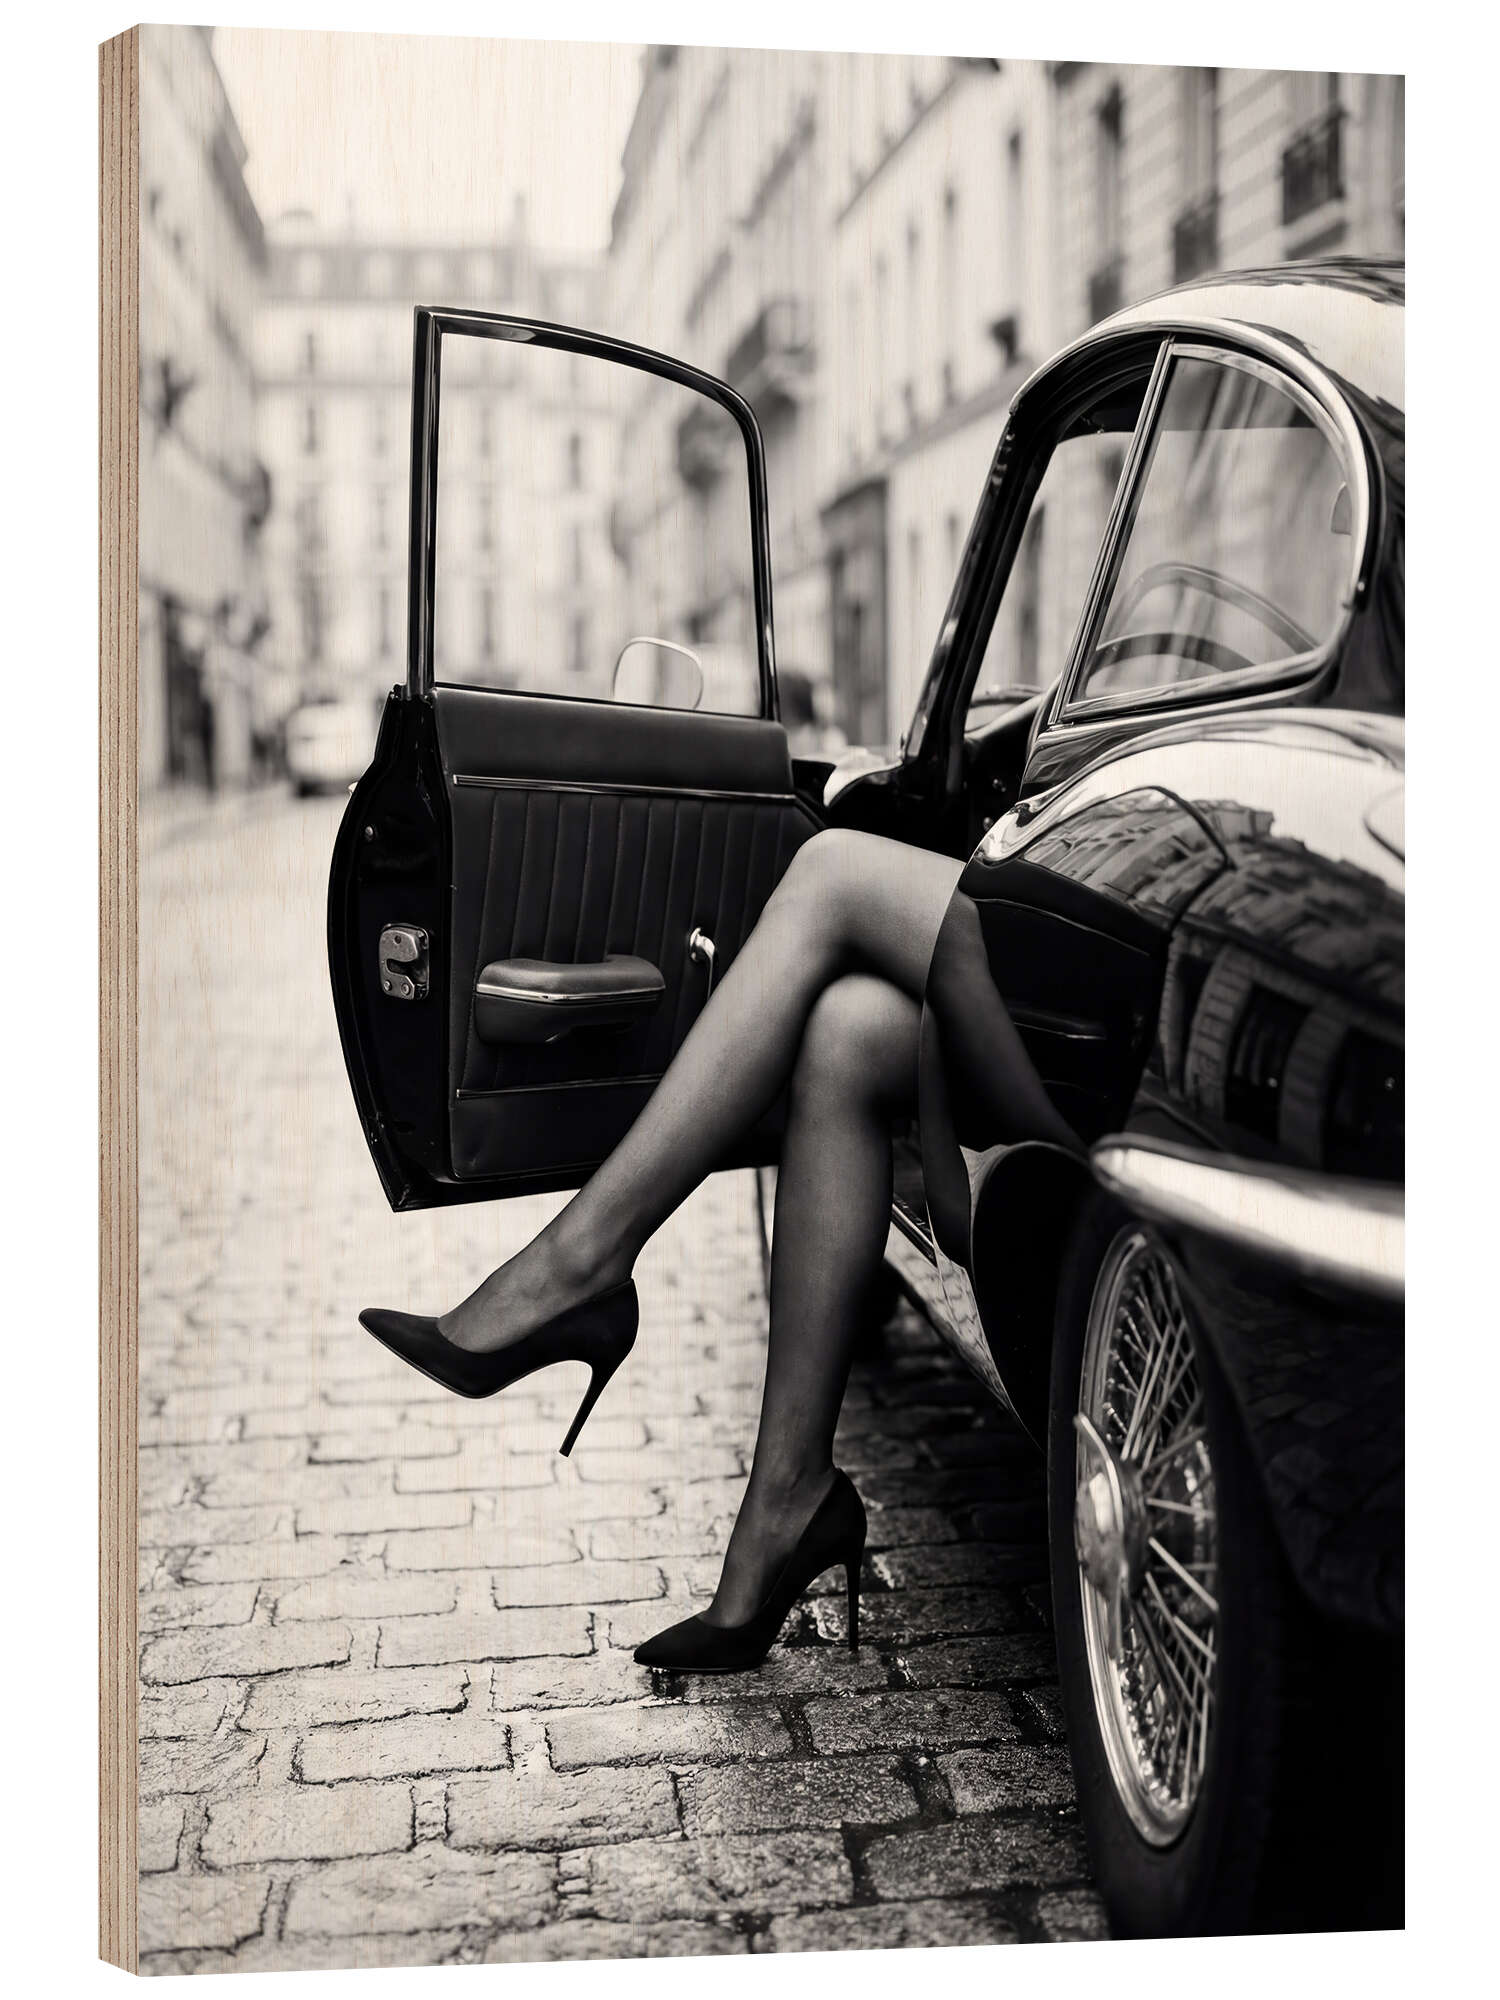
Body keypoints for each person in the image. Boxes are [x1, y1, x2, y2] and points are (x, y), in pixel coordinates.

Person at [359, 829, 1078, 1673]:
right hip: (1093, 888)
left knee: (832, 869)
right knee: (845, 1031)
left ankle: (580, 1264)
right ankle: (788, 1494)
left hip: (1137, 934)